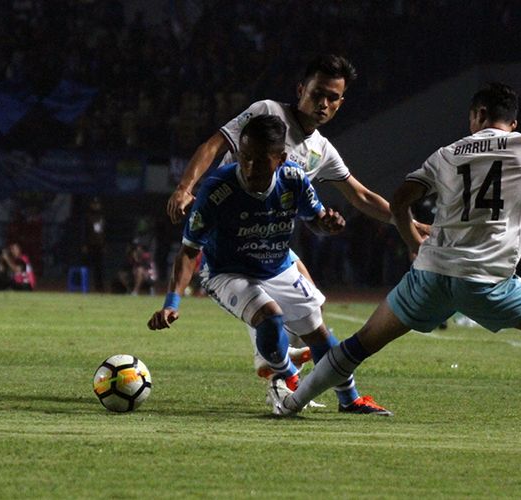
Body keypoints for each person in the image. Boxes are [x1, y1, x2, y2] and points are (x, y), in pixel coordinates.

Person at [269, 83, 521, 430]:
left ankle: (292, 403)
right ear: (512, 122)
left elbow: (399, 201)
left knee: (359, 344)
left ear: (477, 115)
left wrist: (413, 241)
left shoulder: (447, 153)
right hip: (488, 281)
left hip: (429, 275)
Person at [165, 54, 429, 380]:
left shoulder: (322, 149)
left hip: (270, 239)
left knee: (314, 307)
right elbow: (214, 144)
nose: (323, 103)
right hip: (230, 236)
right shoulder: (267, 112)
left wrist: (409, 223)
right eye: (317, 94)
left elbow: (361, 196)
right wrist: (184, 187)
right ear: (301, 89)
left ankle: (278, 363)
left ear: (341, 103)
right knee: (275, 310)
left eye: (332, 98)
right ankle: (279, 367)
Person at [148, 115, 391, 415]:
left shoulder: (294, 178)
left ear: (281, 158)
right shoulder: (217, 190)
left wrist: (326, 224)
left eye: (260, 161)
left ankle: (349, 399)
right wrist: (172, 302)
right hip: (227, 271)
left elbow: (314, 220)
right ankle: (285, 374)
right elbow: (188, 250)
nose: (250, 168)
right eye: (245, 158)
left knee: (318, 332)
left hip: (277, 266)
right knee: (270, 316)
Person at [81, 196, 106, 292]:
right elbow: (84, 231)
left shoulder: (102, 217)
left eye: (97, 204)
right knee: (87, 265)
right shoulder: (87, 216)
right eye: (94, 204)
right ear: (91, 205)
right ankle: (85, 286)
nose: (96, 206)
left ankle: (99, 287)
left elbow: (104, 232)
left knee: (99, 267)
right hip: (90, 244)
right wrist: (84, 244)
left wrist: (104, 245)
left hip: (99, 245)